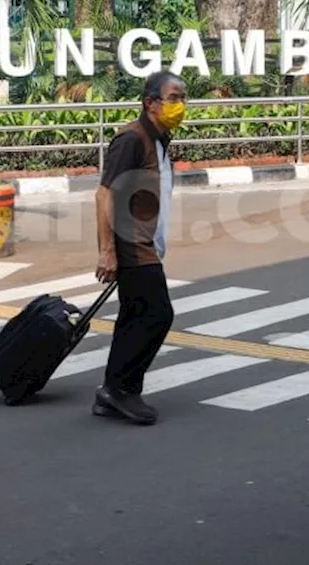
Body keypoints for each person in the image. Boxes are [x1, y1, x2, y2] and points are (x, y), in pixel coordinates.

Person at [92, 71, 186, 425]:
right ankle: (119, 389)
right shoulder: (131, 139)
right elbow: (104, 194)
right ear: (150, 102)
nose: (180, 106)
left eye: (182, 99)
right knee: (157, 314)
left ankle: (114, 390)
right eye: (174, 98)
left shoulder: (160, 139)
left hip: (146, 244)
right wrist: (107, 251)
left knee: (134, 316)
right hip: (131, 245)